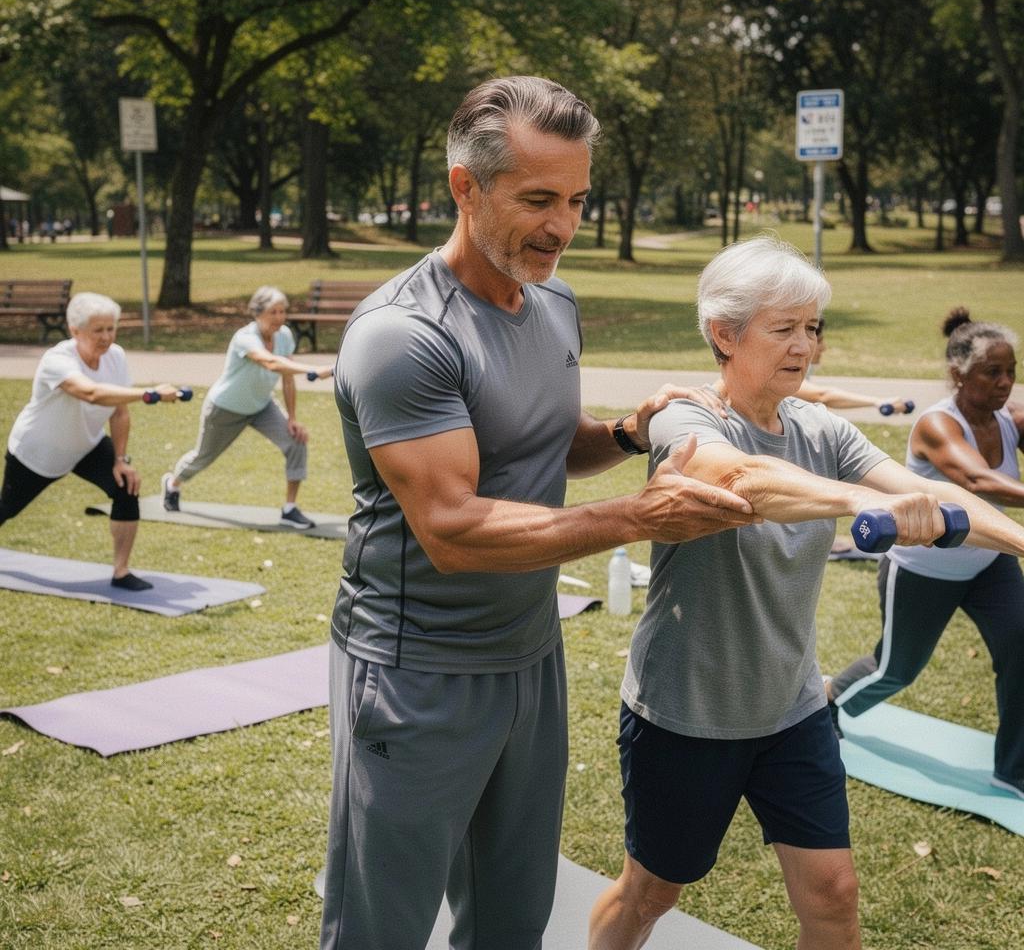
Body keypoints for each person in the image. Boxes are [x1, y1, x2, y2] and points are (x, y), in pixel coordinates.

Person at [319, 76, 757, 950]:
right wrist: (640, 517)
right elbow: (452, 528)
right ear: (464, 187)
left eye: (577, 199)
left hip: (529, 656)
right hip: (417, 672)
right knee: (382, 929)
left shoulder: (552, 300)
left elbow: (540, 445)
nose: (562, 225)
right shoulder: (403, 336)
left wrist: (627, 435)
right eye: (538, 199)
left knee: (513, 919)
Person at [587, 237, 1024, 950]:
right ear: (724, 334)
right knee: (650, 892)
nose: (805, 346)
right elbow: (746, 484)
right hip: (687, 713)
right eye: (784, 329)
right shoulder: (687, 420)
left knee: (834, 894)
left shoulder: (821, 430)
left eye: (812, 329)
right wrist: (859, 505)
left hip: (791, 709)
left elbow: (936, 490)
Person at [828, 308, 1024, 798]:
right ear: (959, 374)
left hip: (989, 564)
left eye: (1012, 370)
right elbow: (977, 480)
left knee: (1023, 651)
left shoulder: (1011, 421)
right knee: (896, 669)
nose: (1006, 382)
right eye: (992, 372)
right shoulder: (938, 425)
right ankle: (826, 704)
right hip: (924, 568)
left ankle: (1014, 769)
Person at [0, 292, 184, 590]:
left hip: (86, 444)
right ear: (75, 331)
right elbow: (92, 393)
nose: (106, 337)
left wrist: (120, 460)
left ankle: (121, 572)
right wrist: (149, 394)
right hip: (38, 452)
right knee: (7, 509)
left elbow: (119, 412)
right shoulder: (57, 360)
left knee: (126, 486)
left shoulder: (116, 357)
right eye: (98, 330)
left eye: (111, 328)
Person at [162, 286, 333, 529]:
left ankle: (289, 509)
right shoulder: (245, 338)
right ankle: (173, 484)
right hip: (225, 407)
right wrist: (312, 369)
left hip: (261, 406)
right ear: (257, 313)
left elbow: (286, 377)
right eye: (273, 312)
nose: (279, 318)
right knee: (202, 457)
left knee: (296, 441)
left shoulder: (284, 336)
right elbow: (271, 363)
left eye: (283, 312)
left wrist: (292, 418)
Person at [796, 317, 913, 413]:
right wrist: (877, 402)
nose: (824, 348)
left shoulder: (802, 369)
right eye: (820, 341)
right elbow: (823, 396)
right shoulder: (786, 374)